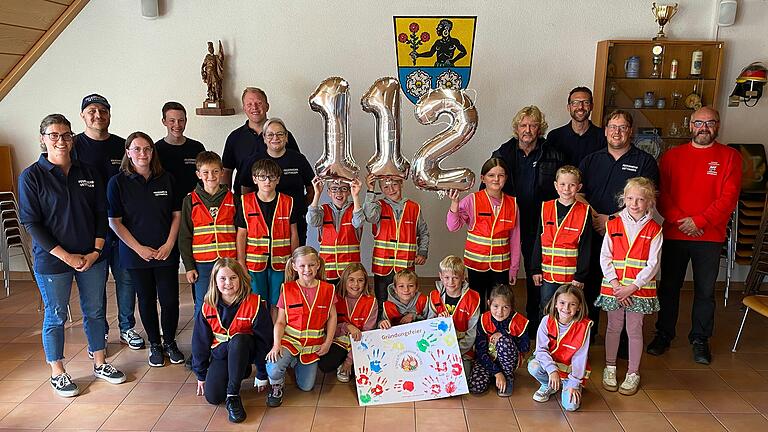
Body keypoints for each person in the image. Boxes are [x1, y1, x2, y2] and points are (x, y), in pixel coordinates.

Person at [19, 114, 126, 397]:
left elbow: (101, 214)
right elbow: (32, 223)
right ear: (42, 139)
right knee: (55, 316)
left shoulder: (88, 172)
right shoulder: (31, 176)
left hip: (92, 258)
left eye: (66, 135)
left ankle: (100, 362)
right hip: (53, 261)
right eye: (53, 135)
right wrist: (67, 257)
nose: (61, 141)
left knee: (95, 311)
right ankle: (58, 371)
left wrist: (96, 251)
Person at [647, 106, 742, 365]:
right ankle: (664, 333)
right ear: (690, 125)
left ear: (717, 126)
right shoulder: (671, 157)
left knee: (704, 291)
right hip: (676, 234)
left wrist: (699, 221)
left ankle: (700, 339)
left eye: (710, 123)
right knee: (668, 288)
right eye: (699, 123)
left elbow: (728, 198)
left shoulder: (730, 157)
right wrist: (682, 221)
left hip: (709, 237)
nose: (704, 128)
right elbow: (661, 196)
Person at [579, 109, 659, 337]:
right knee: (591, 281)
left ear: (630, 131)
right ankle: (588, 334)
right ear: (605, 131)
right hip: (593, 231)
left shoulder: (644, 161)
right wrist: (597, 217)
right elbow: (577, 192)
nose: (617, 132)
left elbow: (647, 198)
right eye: (613, 127)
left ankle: (624, 341)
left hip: (629, 236)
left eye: (622, 127)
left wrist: (612, 220)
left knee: (625, 285)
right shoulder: (591, 160)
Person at [107, 132, 184, 367]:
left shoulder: (166, 179)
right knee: (146, 300)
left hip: (165, 252)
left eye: (147, 149)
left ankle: (170, 342)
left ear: (153, 152)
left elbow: (177, 215)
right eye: (137, 149)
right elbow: (114, 222)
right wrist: (139, 248)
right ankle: (155, 345)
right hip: (135, 254)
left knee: (170, 300)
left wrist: (170, 244)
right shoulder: (117, 183)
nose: (143, 154)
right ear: (128, 152)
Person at [73, 94, 144, 351]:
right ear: (82, 115)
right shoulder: (74, 146)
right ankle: (99, 331)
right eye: (92, 110)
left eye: (103, 110)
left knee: (126, 279)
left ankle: (126, 327)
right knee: (96, 282)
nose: (98, 115)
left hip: (122, 226)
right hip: (90, 229)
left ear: (110, 115)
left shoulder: (120, 146)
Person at [491, 106, 565, 335]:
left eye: (533, 125)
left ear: (540, 128)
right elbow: (490, 184)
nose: (528, 130)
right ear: (516, 128)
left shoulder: (554, 154)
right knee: (503, 272)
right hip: (509, 221)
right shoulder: (503, 153)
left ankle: (535, 323)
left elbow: (564, 186)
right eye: (523, 125)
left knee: (536, 272)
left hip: (541, 222)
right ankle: (501, 320)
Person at [596, 177, 662, 396]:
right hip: (614, 287)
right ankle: (610, 367)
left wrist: (632, 287)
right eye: (630, 198)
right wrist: (616, 285)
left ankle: (633, 372)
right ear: (623, 198)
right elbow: (605, 256)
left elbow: (653, 264)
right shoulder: (613, 224)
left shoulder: (655, 230)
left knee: (634, 330)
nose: (634, 203)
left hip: (638, 290)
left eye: (640, 199)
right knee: (614, 327)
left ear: (649, 202)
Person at [191, 258, 272, 423]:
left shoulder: (254, 303)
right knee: (213, 397)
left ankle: (233, 396)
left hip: (247, 349)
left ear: (241, 279)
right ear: (215, 281)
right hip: (221, 353)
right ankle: (241, 371)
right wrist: (201, 374)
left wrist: (262, 373)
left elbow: (265, 341)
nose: (228, 282)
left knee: (239, 340)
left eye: (233, 277)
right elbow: (199, 343)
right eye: (222, 278)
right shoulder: (207, 307)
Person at [266, 246, 337, 407]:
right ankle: (277, 385)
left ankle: (294, 363)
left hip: (312, 347)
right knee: (274, 368)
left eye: (311, 265)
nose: (307, 269)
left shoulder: (328, 289)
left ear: (318, 265)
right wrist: (276, 345)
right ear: (294, 266)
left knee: (307, 387)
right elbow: (280, 322)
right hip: (289, 342)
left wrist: (328, 343)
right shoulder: (287, 289)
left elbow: (332, 317)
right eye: (302, 265)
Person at [447, 158, 520, 312]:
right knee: (477, 301)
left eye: (501, 175)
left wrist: (514, 268)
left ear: (506, 178)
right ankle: (478, 333)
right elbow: (453, 227)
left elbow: (515, 239)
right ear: (483, 178)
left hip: (501, 265)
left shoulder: (512, 204)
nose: (496, 179)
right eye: (491, 175)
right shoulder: (472, 200)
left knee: (499, 302)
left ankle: (495, 332)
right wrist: (454, 204)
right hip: (476, 264)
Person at [235, 159, 299, 312]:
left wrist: (294, 261)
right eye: (262, 177)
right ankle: (261, 334)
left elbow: (294, 233)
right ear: (254, 179)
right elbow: (241, 235)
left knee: (278, 301)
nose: (267, 181)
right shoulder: (245, 202)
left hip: (282, 262)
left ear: (278, 179)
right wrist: (241, 262)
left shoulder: (288, 202)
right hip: (254, 263)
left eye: (271, 177)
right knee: (258, 300)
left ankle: (275, 334)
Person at [179, 151, 237, 318]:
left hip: (229, 260)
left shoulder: (233, 199)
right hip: (202, 264)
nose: (210, 176)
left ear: (222, 172)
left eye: (215, 171)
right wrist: (189, 266)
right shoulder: (190, 200)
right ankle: (202, 341)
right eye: (205, 172)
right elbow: (184, 236)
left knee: (230, 300)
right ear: (198, 174)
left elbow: (241, 233)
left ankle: (228, 338)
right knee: (204, 303)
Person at [240, 118, 314, 246]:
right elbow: (246, 190)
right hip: (261, 222)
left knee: (297, 260)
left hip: (295, 221)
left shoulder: (298, 159)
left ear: (286, 137)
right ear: (264, 138)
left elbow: (312, 188)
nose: (275, 138)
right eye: (270, 134)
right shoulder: (254, 161)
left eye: (280, 134)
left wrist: (300, 208)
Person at [531, 165, 592, 316]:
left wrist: (580, 276)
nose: (566, 189)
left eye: (572, 185)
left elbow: (586, 247)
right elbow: (538, 240)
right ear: (555, 186)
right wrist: (535, 269)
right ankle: (545, 339)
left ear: (579, 187)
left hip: (571, 278)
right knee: (546, 307)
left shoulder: (584, 212)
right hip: (548, 274)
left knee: (569, 312)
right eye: (563, 184)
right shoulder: (546, 207)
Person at [364, 176, 429, 316]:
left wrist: (423, 251)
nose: (391, 189)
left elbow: (423, 233)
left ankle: (402, 331)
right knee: (382, 301)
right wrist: (370, 190)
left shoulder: (414, 207)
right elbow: (369, 216)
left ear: (401, 184)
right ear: (380, 189)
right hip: (382, 266)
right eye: (385, 187)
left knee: (406, 301)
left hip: (405, 266)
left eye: (394, 185)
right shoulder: (378, 206)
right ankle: (382, 327)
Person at [222, 88, 299, 193]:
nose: (254, 107)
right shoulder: (234, 137)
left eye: (259, 103)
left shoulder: (283, 136)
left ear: (267, 106)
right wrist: (225, 199)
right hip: (245, 202)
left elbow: (297, 166)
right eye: (249, 104)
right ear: (244, 108)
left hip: (282, 203)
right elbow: (227, 170)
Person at [528, 284, 591, 412]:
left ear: (579, 307)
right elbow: (540, 350)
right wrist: (552, 370)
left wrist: (574, 383)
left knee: (570, 406)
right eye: (562, 303)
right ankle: (548, 385)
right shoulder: (546, 320)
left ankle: (569, 386)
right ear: (555, 303)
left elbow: (580, 357)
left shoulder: (584, 326)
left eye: (572, 304)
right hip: (551, 369)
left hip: (571, 373)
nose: (566, 308)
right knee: (533, 366)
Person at [318, 263, 377, 383]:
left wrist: (349, 360)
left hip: (361, 342)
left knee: (371, 368)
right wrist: (347, 326)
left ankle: (349, 362)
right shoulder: (335, 298)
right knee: (325, 365)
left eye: (360, 280)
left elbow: (367, 334)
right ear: (344, 281)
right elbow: (328, 328)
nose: (356, 284)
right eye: (351, 280)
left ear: (365, 282)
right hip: (339, 340)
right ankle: (343, 361)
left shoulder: (371, 302)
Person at [469, 284, 529, 397]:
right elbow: (480, 351)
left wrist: (505, 335)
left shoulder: (519, 321)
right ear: (488, 304)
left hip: (508, 363)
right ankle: (495, 375)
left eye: (505, 307)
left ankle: (507, 376)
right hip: (487, 360)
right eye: (495, 306)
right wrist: (496, 372)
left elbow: (525, 347)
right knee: (476, 387)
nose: (500, 312)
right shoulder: (483, 319)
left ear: (511, 307)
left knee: (504, 341)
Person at [307, 177, 364, 284]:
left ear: (349, 191)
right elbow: (312, 221)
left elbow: (359, 222)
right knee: (329, 299)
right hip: (328, 270)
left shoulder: (356, 209)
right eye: (334, 189)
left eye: (343, 189)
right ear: (328, 192)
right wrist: (317, 193)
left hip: (350, 271)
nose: (339, 192)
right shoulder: (322, 210)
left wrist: (356, 196)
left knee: (348, 300)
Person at [428, 256, 480, 370]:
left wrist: (456, 350)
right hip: (439, 348)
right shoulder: (434, 296)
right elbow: (428, 326)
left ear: (463, 277)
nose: (450, 282)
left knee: (462, 380)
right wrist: (437, 321)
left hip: (463, 350)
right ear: (440, 276)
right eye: (446, 277)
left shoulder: (473, 299)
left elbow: (472, 333)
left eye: (455, 278)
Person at [546, 87, 607, 166]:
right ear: (568, 107)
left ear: (591, 107)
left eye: (586, 102)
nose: (580, 107)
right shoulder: (554, 136)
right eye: (575, 103)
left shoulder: (603, 137)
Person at [155, 101, 206, 196]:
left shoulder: (197, 147)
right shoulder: (156, 149)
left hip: (194, 204)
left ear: (186, 121)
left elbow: (205, 177)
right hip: (167, 205)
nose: (177, 125)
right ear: (164, 122)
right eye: (172, 121)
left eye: (181, 120)